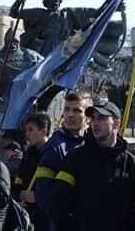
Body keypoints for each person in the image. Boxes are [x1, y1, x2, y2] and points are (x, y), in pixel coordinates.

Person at [51, 100, 135, 231]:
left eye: (101, 118)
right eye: (93, 119)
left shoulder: (131, 164)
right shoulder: (75, 159)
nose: (95, 123)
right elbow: (58, 203)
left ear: (116, 123)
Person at [0, 27, 42, 146]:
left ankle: (29, 152)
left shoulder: (30, 57)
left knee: (30, 130)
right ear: (5, 41)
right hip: (3, 100)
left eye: (15, 41)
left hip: (24, 101)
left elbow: (42, 71)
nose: (12, 44)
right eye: (9, 41)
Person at [35, 91, 91, 228]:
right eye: (67, 109)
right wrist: (65, 219)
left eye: (77, 110)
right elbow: (44, 195)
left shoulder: (93, 144)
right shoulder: (54, 147)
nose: (70, 115)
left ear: (88, 117)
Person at [13, 112, 51, 231]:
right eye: (26, 130)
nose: (27, 134)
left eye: (31, 129)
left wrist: (37, 197)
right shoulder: (29, 153)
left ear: (44, 131)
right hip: (25, 210)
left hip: (43, 215)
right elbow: (20, 178)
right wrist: (19, 195)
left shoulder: (51, 154)